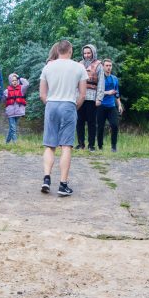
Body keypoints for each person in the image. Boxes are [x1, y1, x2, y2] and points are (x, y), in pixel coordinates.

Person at [39, 40, 87, 197]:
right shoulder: (79, 67)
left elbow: (42, 94)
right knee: (66, 145)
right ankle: (63, 184)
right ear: (70, 50)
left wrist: (50, 104)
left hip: (51, 104)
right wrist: (74, 107)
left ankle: (46, 178)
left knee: (49, 145)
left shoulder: (48, 67)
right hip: (68, 105)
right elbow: (82, 94)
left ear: (58, 50)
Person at [76, 44, 104, 151]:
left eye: (89, 53)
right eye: (85, 53)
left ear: (93, 53)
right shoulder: (79, 64)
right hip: (80, 97)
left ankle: (91, 145)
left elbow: (101, 82)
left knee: (92, 122)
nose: (86, 55)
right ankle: (80, 144)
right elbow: (75, 81)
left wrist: (99, 98)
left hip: (92, 98)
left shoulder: (99, 65)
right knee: (80, 121)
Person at [96, 59, 123, 151]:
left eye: (110, 66)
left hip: (111, 106)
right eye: (107, 65)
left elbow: (117, 93)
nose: (108, 67)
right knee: (100, 127)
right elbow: (96, 92)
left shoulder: (114, 78)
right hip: (101, 105)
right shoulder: (100, 78)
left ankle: (113, 146)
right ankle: (100, 146)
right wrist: (107, 92)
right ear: (103, 66)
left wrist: (119, 105)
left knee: (115, 125)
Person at [3, 73, 29, 144]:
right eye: (12, 80)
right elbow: (4, 100)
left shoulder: (21, 89)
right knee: (13, 129)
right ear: (10, 82)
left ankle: (7, 143)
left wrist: (20, 78)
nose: (14, 82)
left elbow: (26, 84)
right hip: (10, 113)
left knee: (12, 129)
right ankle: (15, 143)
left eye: (16, 80)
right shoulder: (6, 91)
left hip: (18, 112)